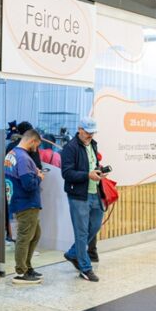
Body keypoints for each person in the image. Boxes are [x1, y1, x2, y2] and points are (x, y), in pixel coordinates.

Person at [60, 117, 105, 282]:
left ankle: (73, 253)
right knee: (81, 232)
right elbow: (67, 173)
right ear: (79, 129)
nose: (90, 135)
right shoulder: (70, 148)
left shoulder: (93, 144)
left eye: (92, 132)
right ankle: (85, 268)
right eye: (87, 132)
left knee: (96, 225)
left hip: (95, 193)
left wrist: (99, 171)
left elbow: (91, 165)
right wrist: (87, 175)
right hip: (79, 195)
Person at [5, 129, 45, 285]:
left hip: (18, 201)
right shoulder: (23, 158)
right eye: (37, 144)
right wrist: (39, 177)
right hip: (26, 203)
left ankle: (27, 266)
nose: (37, 148)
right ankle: (21, 271)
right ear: (32, 141)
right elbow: (28, 184)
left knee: (35, 234)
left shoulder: (12, 154)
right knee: (24, 237)